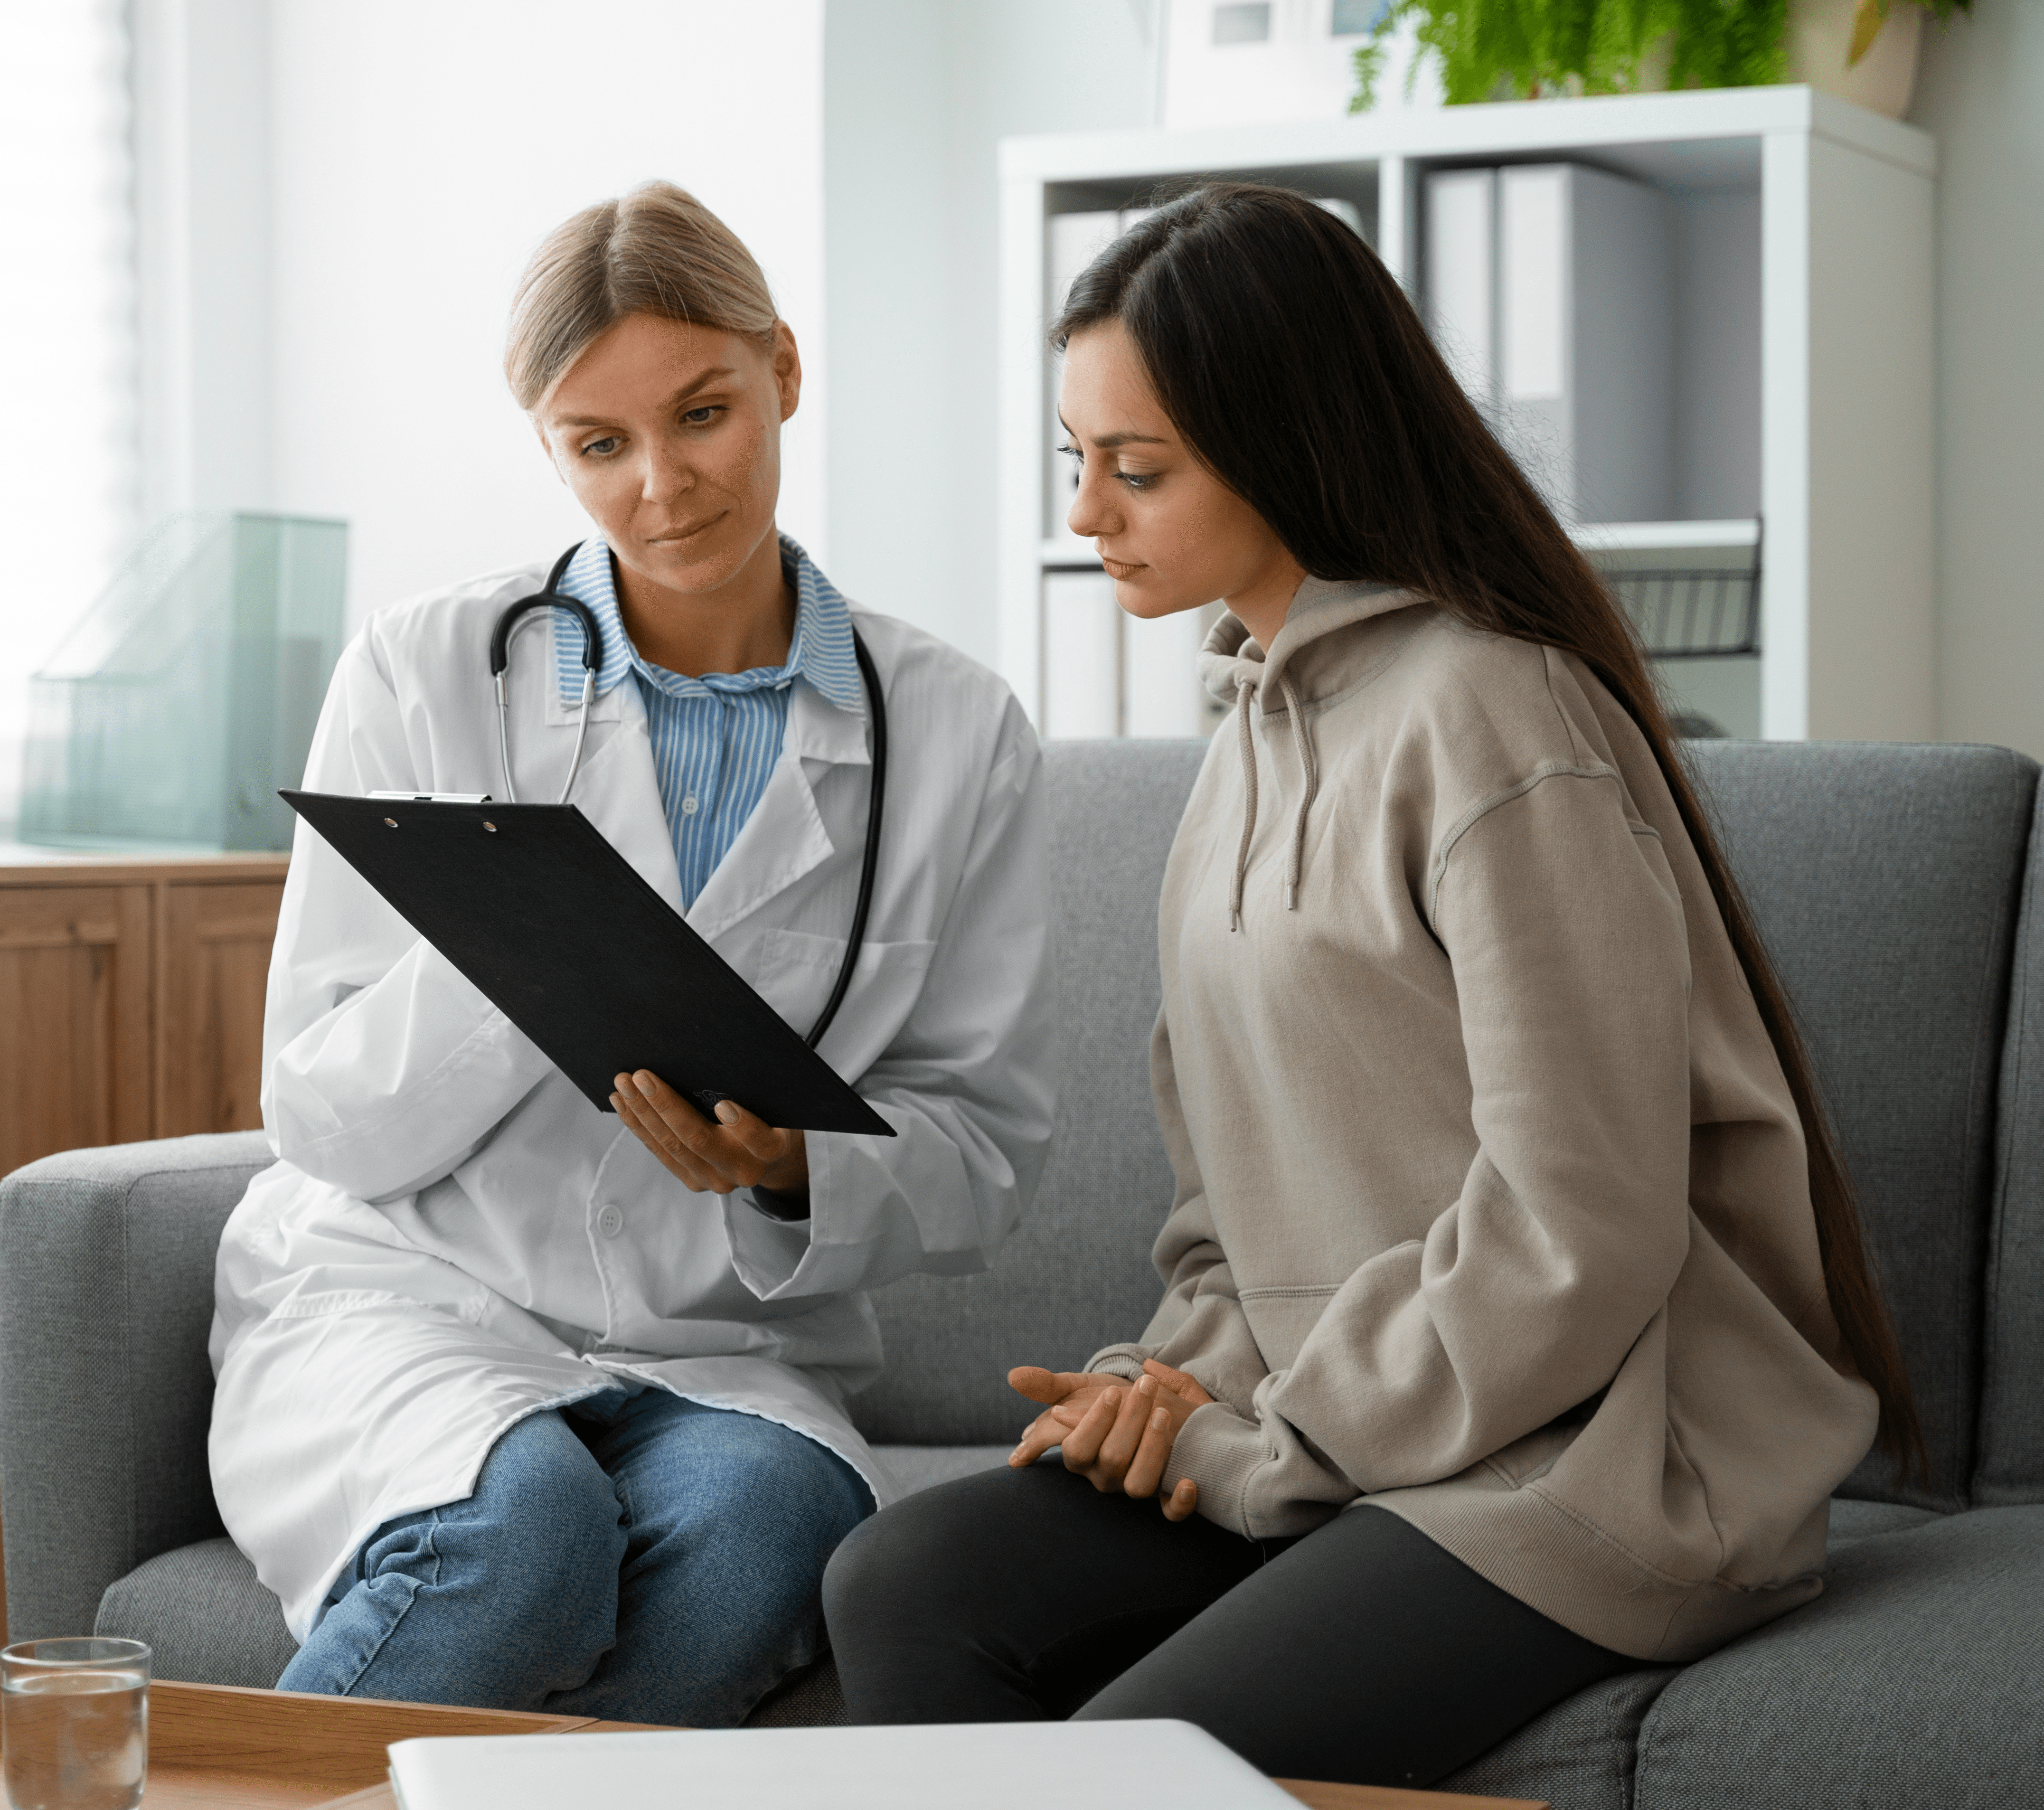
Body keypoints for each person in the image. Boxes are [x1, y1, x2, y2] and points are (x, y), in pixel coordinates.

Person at [823, 183, 1920, 1787]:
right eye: (1078, 461)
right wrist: (1172, 1384)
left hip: (1585, 1462)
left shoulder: (1494, 718)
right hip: (1357, 1434)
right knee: (907, 1578)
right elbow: (1236, 1220)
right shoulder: (1246, 741)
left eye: (1139, 470)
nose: (1088, 514)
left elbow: (1581, 1227)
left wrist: (1276, 1438)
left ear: (1288, 443)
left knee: (1133, 1765)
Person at [210, 181, 1054, 1727]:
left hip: (721, 1343)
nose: (663, 486)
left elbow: (987, 1139)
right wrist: (517, 946)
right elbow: (319, 1114)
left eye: (705, 412)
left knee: (764, 1540)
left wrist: (800, 1165)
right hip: (420, 1291)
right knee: (520, 1541)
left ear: (784, 371)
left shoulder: (959, 728)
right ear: (549, 448)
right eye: (599, 445)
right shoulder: (424, 670)